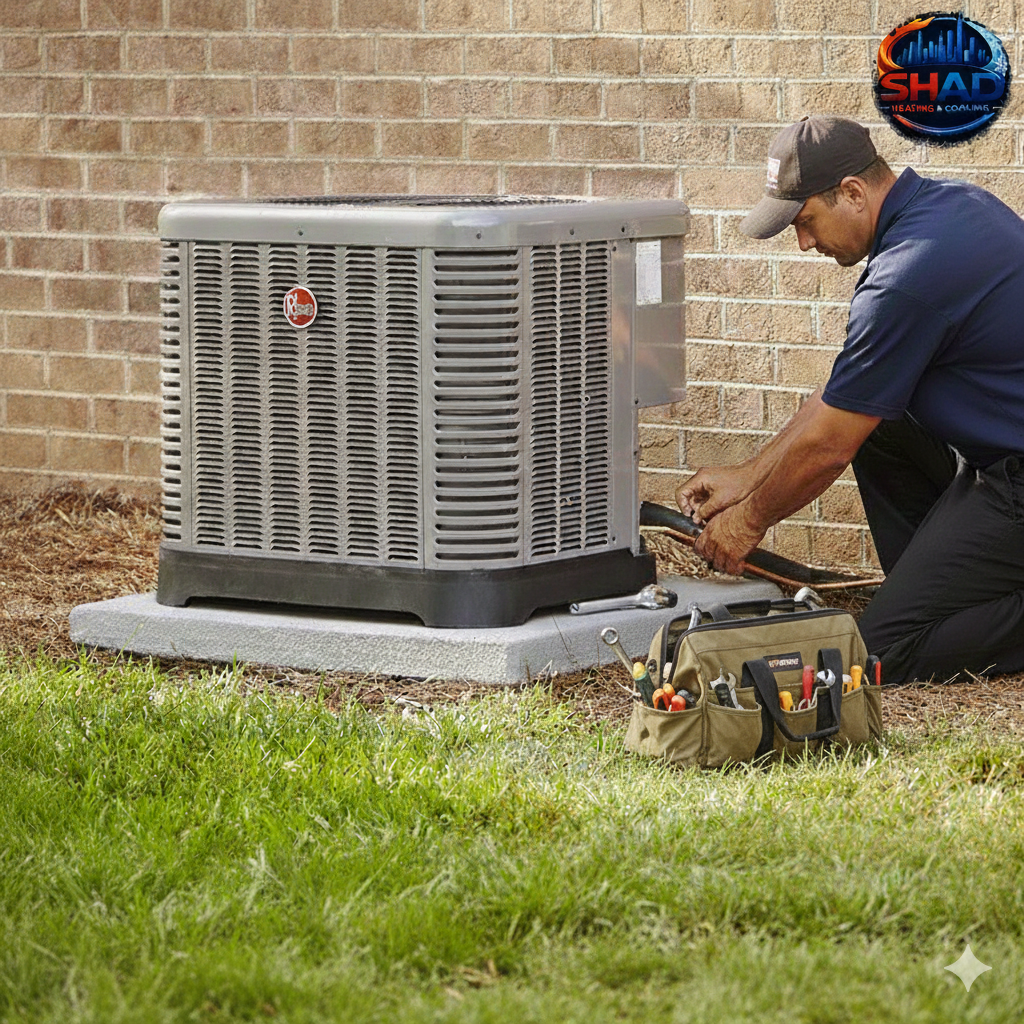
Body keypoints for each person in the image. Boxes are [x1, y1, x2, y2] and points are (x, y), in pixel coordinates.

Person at [677, 115, 1024, 684]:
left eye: (806, 221)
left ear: (853, 193)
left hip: (1015, 481)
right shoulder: (954, 207)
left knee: (885, 650)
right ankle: (941, 591)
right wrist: (749, 475)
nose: (805, 242)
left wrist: (748, 523)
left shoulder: (908, 275)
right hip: (996, 462)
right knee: (877, 422)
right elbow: (845, 394)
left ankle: (928, 613)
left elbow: (829, 449)